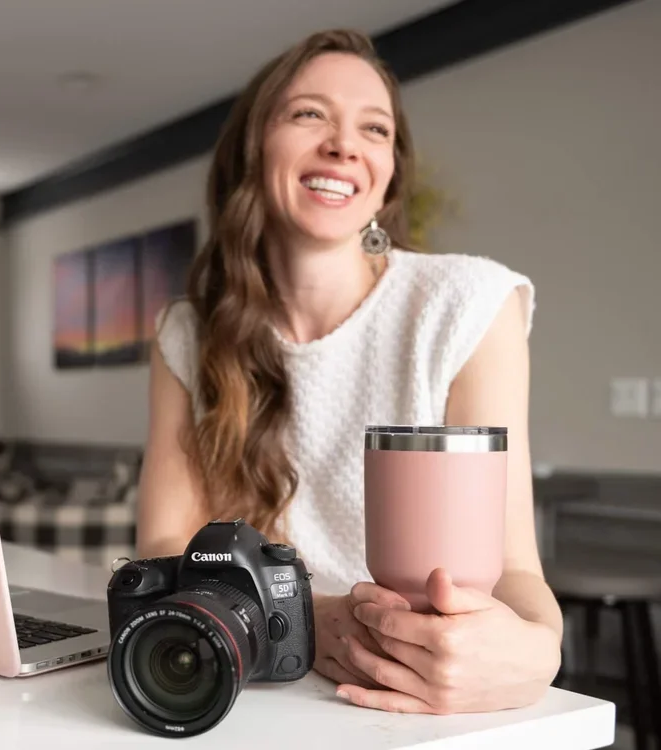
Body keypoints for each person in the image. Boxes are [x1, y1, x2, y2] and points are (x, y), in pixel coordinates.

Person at [134, 29, 563, 715]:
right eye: (309, 115)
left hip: (411, 694)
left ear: (389, 171)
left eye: (375, 128)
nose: (344, 145)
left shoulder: (469, 305)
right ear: (252, 150)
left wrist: (541, 649)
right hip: (258, 687)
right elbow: (162, 546)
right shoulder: (187, 332)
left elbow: (511, 567)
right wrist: (309, 616)